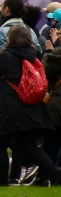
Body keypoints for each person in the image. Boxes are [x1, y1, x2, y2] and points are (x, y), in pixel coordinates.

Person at [0, 24, 60, 186]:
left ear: (10, 39)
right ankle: (55, 172)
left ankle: (2, 180)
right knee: (30, 147)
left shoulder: (6, 57)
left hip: (6, 106)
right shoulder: (33, 57)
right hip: (31, 108)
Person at [43, 30, 61, 175]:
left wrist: (50, 50)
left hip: (57, 104)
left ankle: (48, 175)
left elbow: (44, 71)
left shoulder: (56, 56)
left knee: (51, 142)